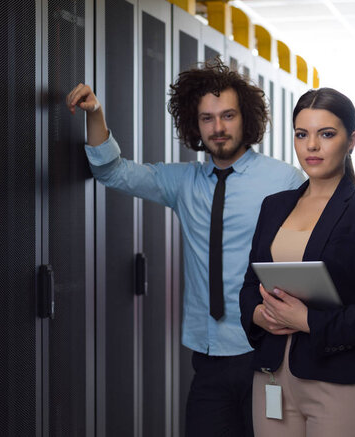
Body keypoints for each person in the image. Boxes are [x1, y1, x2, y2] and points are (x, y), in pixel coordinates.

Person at [66, 59, 305, 437]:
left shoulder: (285, 180)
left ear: (246, 119)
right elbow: (111, 171)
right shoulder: (183, 182)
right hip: (208, 355)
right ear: (195, 125)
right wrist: (94, 112)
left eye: (228, 115)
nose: (219, 127)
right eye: (207, 118)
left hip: (268, 351)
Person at [239, 87, 355, 437]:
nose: (311, 146)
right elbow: (248, 286)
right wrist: (259, 315)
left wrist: (309, 321)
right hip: (271, 376)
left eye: (326, 134)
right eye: (302, 134)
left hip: (340, 380)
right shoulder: (274, 206)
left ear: (351, 141)